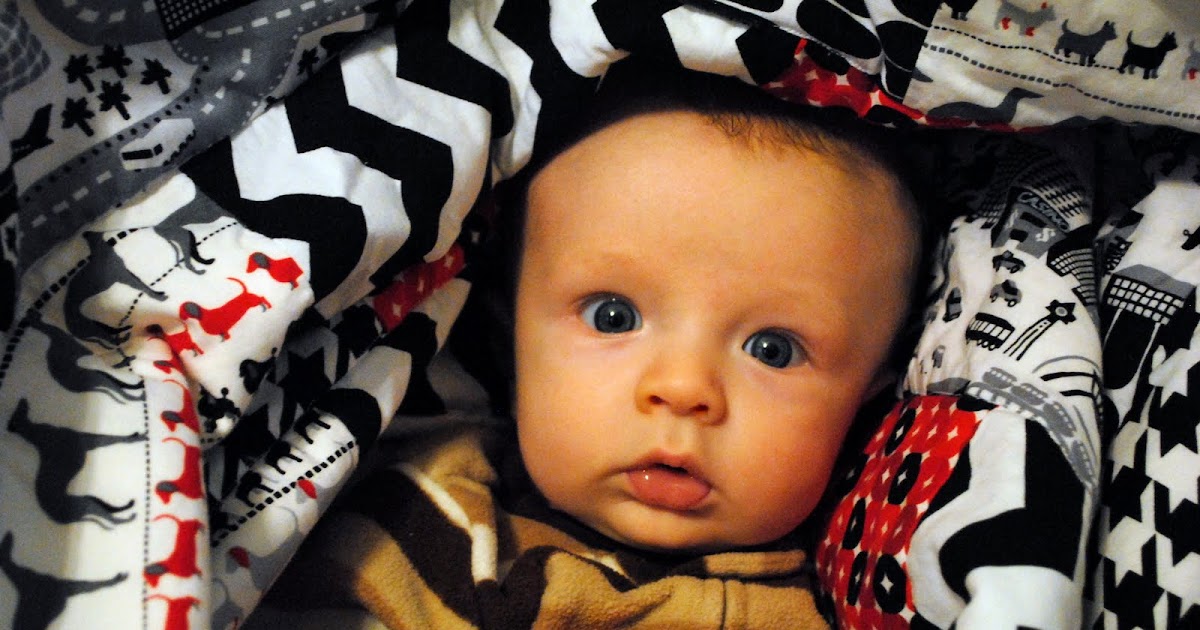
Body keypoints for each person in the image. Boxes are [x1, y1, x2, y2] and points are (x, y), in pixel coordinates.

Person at [258, 60, 924, 629]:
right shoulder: (417, 527)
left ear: (869, 401)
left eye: (772, 349)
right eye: (613, 316)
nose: (682, 389)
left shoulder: (868, 595)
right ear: (511, 339)